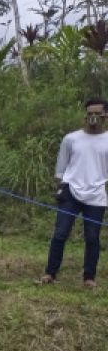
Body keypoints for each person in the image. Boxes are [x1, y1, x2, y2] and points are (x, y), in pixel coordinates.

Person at [40, 97, 108, 288]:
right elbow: (61, 168)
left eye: (97, 113)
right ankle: (50, 273)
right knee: (60, 233)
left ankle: (89, 278)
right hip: (71, 192)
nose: (93, 117)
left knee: (93, 237)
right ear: (85, 115)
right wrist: (61, 187)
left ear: (105, 115)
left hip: (96, 196)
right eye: (90, 114)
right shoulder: (71, 138)